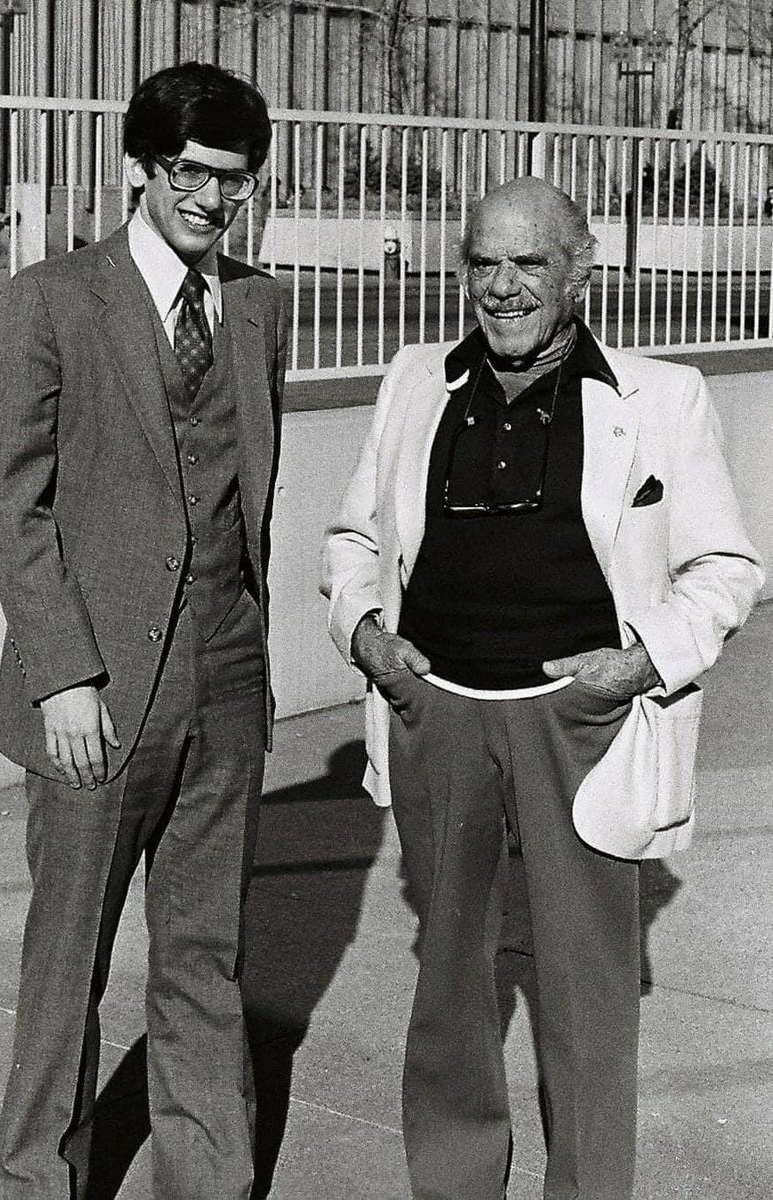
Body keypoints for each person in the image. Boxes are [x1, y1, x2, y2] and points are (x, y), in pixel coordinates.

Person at [321, 176, 763, 1199]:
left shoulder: (663, 395)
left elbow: (726, 568)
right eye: (484, 261)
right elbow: (353, 540)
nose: (504, 286)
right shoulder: (412, 381)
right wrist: (369, 635)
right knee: (448, 994)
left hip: (582, 724)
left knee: (586, 998)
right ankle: (459, 1183)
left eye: (530, 263)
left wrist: (640, 662)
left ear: (580, 270)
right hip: (438, 712)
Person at [0, 62, 285, 1199]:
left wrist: (243, 663)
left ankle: (208, 1181)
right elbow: (12, 501)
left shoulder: (258, 307)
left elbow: (245, 490)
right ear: (139, 169)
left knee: (206, 963)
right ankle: (30, 1184)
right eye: (192, 175)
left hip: (225, 680)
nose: (212, 201)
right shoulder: (54, 298)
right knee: (68, 966)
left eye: (234, 183)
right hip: (97, 694)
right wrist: (62, 676)